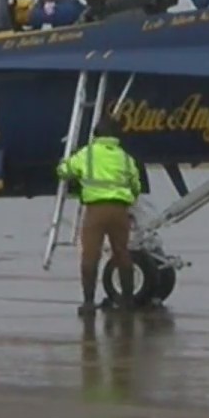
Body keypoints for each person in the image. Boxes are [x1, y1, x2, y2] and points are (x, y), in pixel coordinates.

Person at [55, 117, 144, 315]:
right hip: (120, 211)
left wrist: (64, 163)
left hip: (95, 210)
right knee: (122, 253)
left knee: (90, 255)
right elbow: (136, 186)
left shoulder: (86, 155)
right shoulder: (125, 158)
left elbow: (63, 171)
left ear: (96, 135)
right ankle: (127, 301)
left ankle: (88, 303)